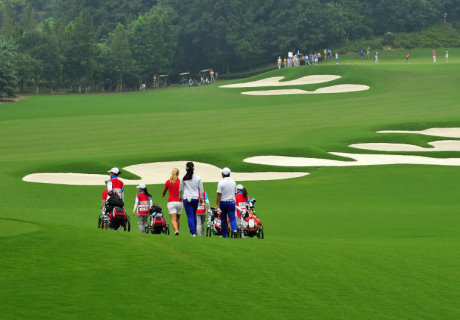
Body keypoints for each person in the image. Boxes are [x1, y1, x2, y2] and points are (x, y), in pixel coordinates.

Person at [179, 162, 204, 237]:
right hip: (195, 198)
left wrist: (180, 197)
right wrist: (201, 197)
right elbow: (201, 189)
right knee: (194, 215)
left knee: (190, 216)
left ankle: (193, 233)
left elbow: (180, 189)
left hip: (187, 198)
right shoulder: (198, 177)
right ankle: (194, 232)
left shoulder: (184, 177)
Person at [215, 167, 238, 238]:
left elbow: (219, 194)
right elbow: (235, 193)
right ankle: (234, 229)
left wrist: (217, 204)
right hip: (231, 202)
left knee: (223, 219)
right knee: (232, 218)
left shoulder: (221, 182)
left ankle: (224, 234)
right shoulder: (234, 182)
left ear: (223, 174)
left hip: (223, 202)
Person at [162, 168, 183, 235]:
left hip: (171, 202)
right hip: (179, 202)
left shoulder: (168, 181)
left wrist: (163, 194)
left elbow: (164, 191)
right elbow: (183, 191)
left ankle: (176, 231)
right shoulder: (180, 182)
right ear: (178, 174)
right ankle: (177, 231)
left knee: (173, 219)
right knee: (178, 219)